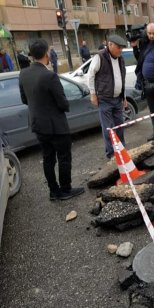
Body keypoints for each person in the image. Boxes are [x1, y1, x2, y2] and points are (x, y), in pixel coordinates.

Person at [19, 39, 85, 201]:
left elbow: (24, 99)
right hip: (56, 125)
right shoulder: (49, 76)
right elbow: (62, 102)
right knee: (64, 157)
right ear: (46, 53)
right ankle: (65, 189)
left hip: (38, 124)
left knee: (48, 158)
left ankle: (53, 192)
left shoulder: (24, 74)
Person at [87, 35, 128, 159]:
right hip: (105, 99)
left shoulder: (120, 59)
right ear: (110, 45)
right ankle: (111, 154)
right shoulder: (99, 57)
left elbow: (122, 78)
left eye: (122, 47)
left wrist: (124, 97)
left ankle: (122, 151)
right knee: (108, 128)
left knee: (119, 126)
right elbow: (90, 75)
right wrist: (93, 94)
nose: (120, 50)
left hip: (117, 99)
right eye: (118, 47)